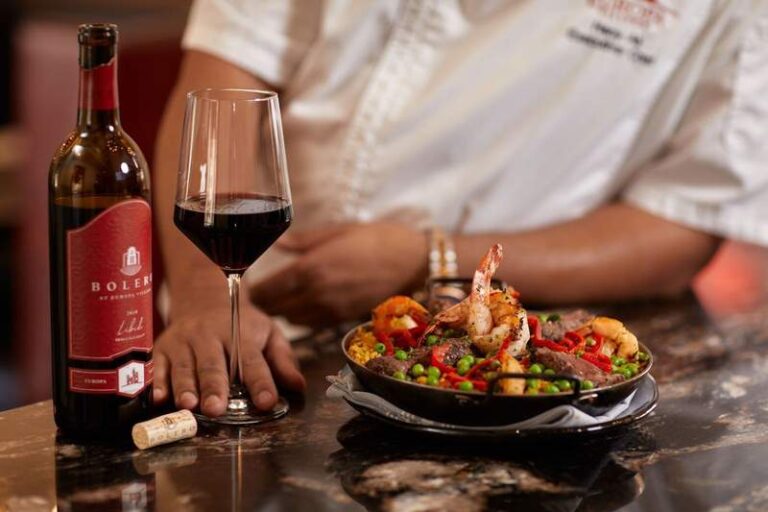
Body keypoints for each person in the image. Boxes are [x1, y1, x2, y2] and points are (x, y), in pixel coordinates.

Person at [152, 0, 768, 417]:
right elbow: (218, 97)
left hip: (507, 382)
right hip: (256, 329)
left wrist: (430, 258)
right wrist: (209, 299)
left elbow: (685, 221)